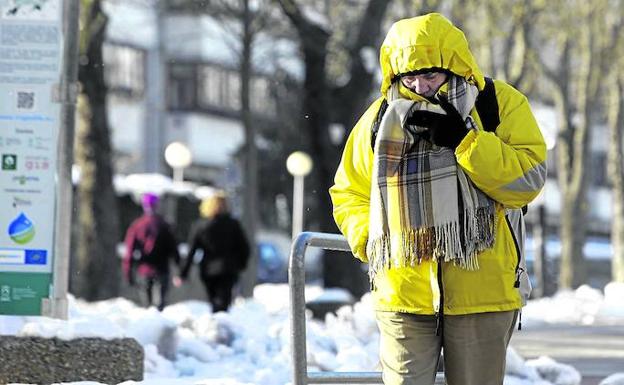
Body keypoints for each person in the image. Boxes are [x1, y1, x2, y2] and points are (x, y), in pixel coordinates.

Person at [329, 13, 547, 385]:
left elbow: (527, 181)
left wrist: (467, 142)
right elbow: (349, 191)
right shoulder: (378, 119)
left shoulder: (498, 105)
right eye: (409, 77)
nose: (420, 86)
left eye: (430, 75)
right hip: (402, 291)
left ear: (456, 66)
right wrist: (369, 237)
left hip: (484, 291)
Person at [180, 192, 250, 312]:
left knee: (214, 300)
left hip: (208, 270)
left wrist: (183, 273)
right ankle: (220, 321)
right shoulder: (233, 225)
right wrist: (241, 265)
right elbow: (245, 248)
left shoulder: (200, 226)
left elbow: (191, 251)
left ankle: (216, 320)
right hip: (228, 269)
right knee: (224, 300)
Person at [123, 193, 181, 311]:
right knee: (159, 307)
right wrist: (179, 270)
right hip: (162, 270)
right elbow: (174, 250)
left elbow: (129, 252)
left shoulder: (137, 226)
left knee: (146, 307)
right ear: (157, 205)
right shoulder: (165, 225)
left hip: (144, 270)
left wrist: (128, 273)